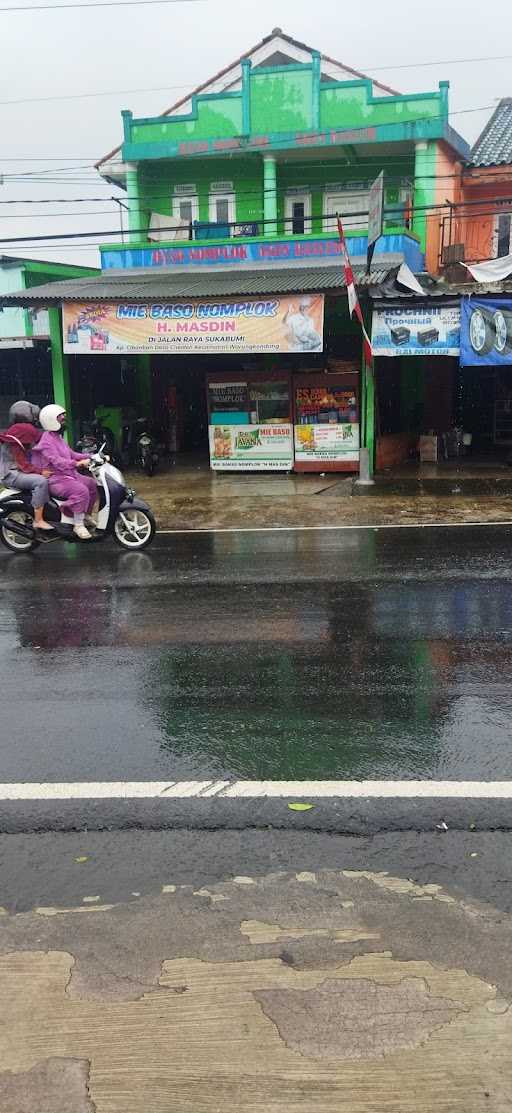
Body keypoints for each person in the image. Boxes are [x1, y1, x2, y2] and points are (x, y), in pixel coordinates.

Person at [32, 404, 99, 541]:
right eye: (60, 417)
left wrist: (91, 456)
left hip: (68, 474)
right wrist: (77, 464)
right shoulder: (46, 441)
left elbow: (71, 454)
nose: (64, 418)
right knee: (81, 490)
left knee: (91, 484)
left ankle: (83, 515)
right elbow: (57, 461)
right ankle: (78, 525)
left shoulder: (57, 437)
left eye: (63, 416)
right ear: (51, 419)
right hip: (55, 479)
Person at [0, 421, 54, 532]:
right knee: (40, 481)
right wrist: (40, 472)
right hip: (11, 475)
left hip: (17, 472)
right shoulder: (15, 444)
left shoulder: (17, 441)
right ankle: (38, 520)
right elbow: (24, 466)